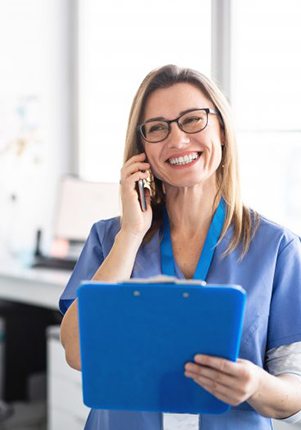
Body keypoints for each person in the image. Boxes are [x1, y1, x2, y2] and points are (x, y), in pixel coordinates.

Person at [59, 65, 301, 430]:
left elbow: (294, 392)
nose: (177, 140)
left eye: (192, 120)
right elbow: (78, 353)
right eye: (157, 128)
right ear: (142, 149)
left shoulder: (277, 248)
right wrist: (132, 233)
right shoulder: (110, 239)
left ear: (221, 129)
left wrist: (255, 384)